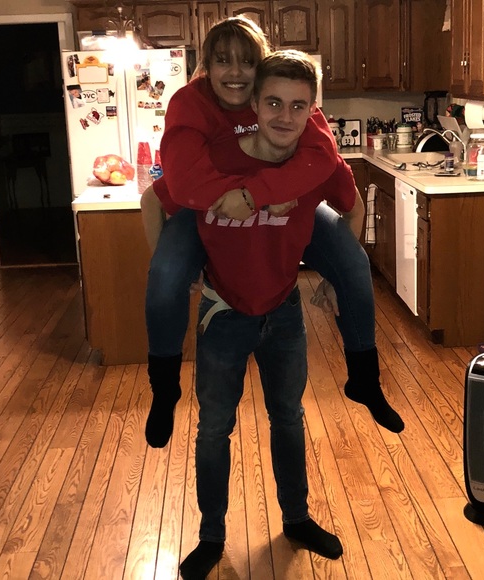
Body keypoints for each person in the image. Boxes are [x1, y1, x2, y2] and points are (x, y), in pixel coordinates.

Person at [141, 17, 404, 451]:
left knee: (354, 265)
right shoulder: (193, 104)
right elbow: (173, 187)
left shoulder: (282, 103)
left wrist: (262, 194)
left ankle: (364, 377)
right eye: (222, 61)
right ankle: (164, 388)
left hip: (289, 208)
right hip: (204, 207)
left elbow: (323, 157)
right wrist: (232, 203)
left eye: (247, 62)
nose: (236, 72)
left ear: (261, 70)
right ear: (205, 66)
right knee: (165, 277)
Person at [174, 49, 357, 580]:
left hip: (284, 311)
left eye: (299, 106)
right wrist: (176, 271)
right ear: (252, 104)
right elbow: (159, 198)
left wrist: (339, 276)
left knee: (288, 418)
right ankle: (211, 536)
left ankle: (297, 519)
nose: (284, 115)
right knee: (214, 428)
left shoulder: (314, 164)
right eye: (273, 102)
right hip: (222, 314)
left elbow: (352, 205)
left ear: (313, 111)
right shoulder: (215, 160)